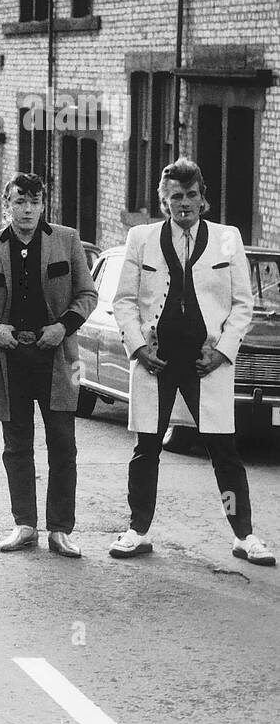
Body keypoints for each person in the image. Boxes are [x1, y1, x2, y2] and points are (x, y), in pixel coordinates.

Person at [109, 158, 274, 565]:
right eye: (176, 197)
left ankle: (244, 535)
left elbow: (241, 305)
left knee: (224, 451)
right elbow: (124, 302)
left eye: (192, 196)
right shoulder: (141, 238)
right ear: (164, 202)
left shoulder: (227, 239)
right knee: (146, 447)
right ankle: (137, 530)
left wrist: (222, 350)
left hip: (207, 362)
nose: (185, 204)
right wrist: (138, 347)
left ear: (204, 200)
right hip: (156, 360)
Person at [0, 174, 97, 558]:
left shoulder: (66, 240)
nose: (26, 210)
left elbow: (87, 294)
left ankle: (61, 530)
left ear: (44, 205)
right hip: (10, 356)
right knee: (16, 444)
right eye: (19, 202)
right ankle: (24, 525)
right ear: (7, 204)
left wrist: (63, 327)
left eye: (34, 202)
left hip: (57, 357)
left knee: (63, 443)